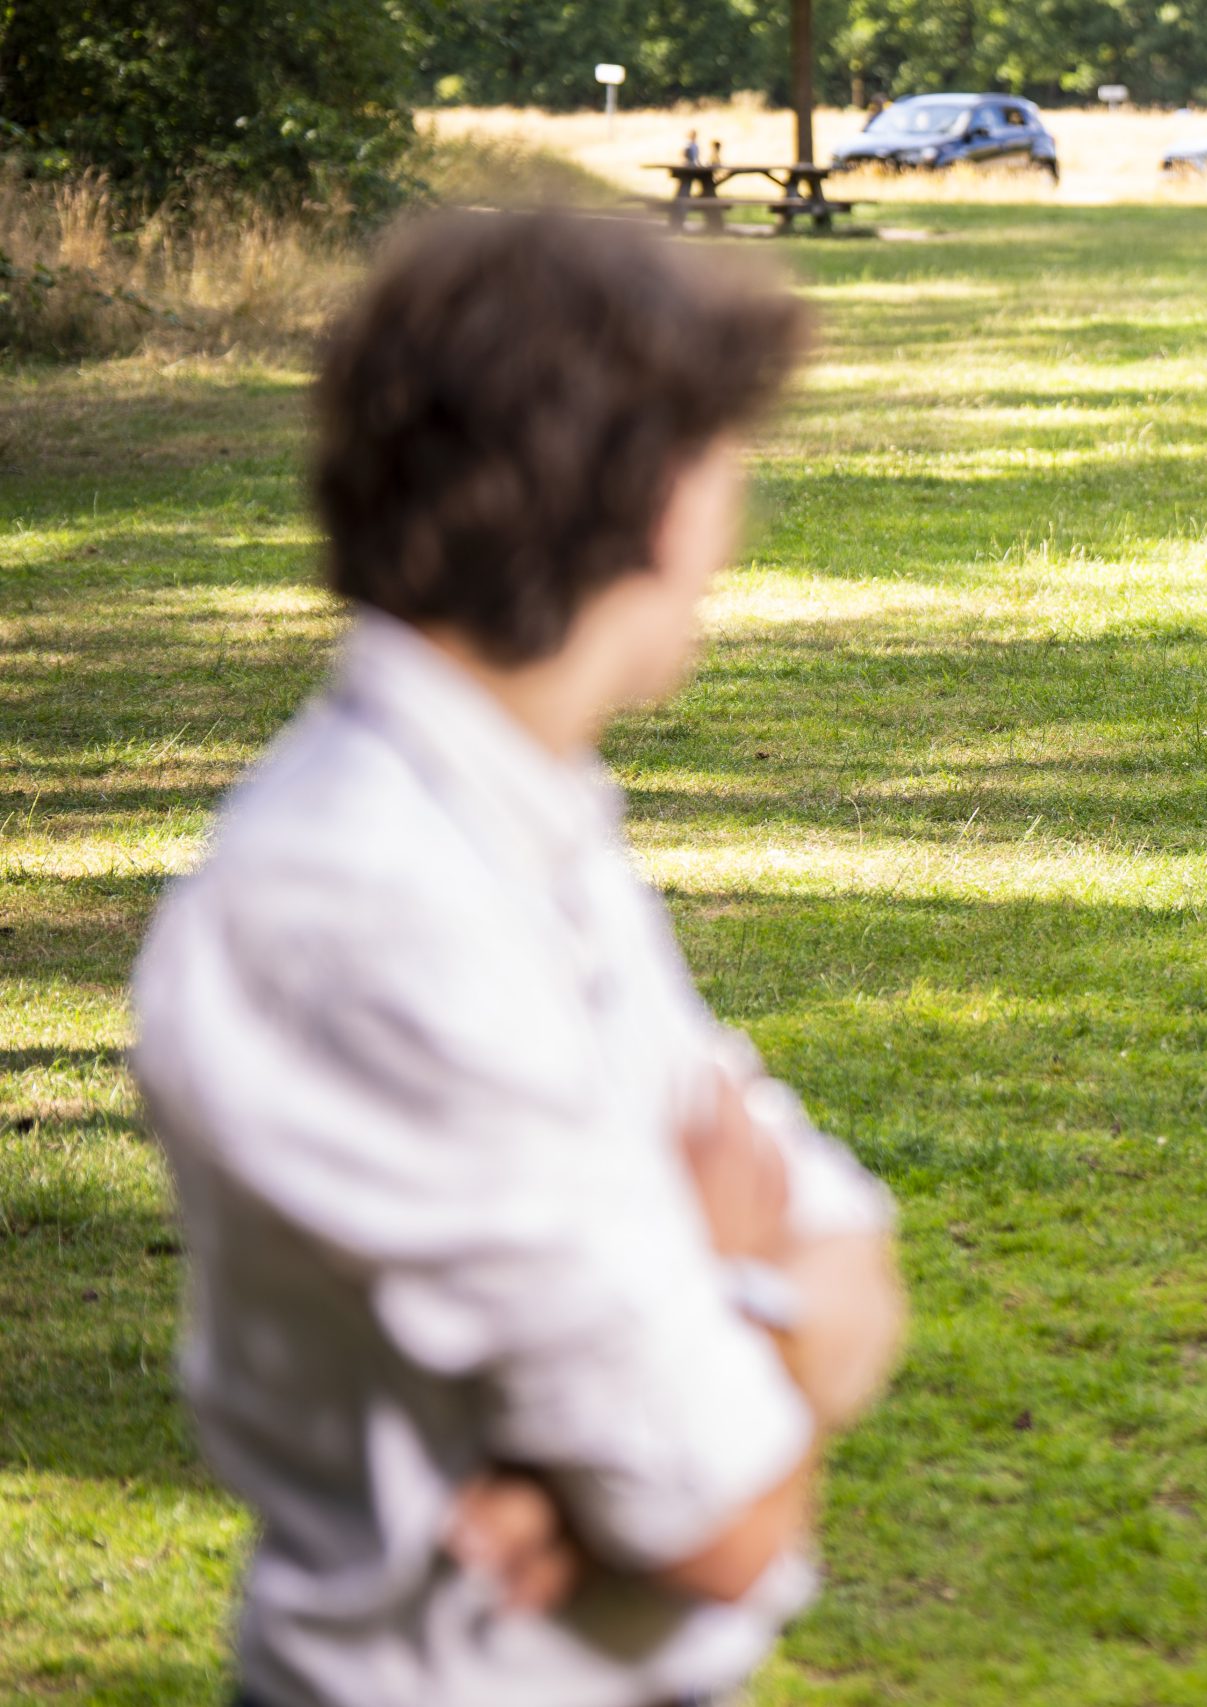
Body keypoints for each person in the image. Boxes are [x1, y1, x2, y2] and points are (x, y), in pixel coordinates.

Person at [127, 212, 908, 1707]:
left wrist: (723, 1333)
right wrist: (745, 1293)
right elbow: (727, 1525)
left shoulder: (517, 806)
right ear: (644, 492)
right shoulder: (367, 905)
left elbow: (853, 1244)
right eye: (721, 450)